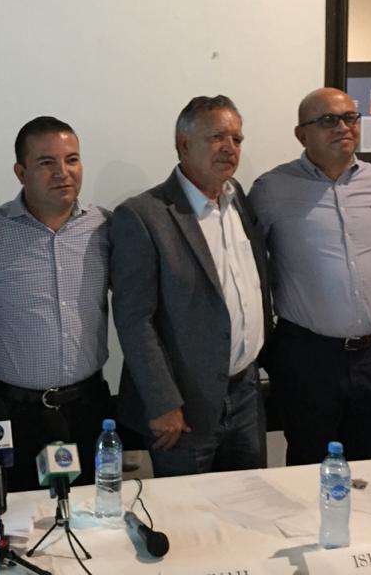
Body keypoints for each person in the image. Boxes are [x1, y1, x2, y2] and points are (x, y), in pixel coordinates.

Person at [111, 95, 267, 477]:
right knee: (187, 509)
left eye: (237, 139)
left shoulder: (237, 199)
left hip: (246, 394)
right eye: (217, 137)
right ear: (183, 144)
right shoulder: (143, 215)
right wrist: (162, 402)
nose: (230, 147)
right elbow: (134, 319)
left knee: (250, 502)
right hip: (184, 407)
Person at [248, 87, 371, 465]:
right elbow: (249, 267)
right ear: (302, 134)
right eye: (329, 120)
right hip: (307, 358)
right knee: (309, 465)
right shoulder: (271, 189)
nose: (343, 127)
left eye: (350, 118)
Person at [0, 116, 111, 491]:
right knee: (18, 514)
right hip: (15, 413)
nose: (63, 172)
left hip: (88, 406)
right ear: (20, 172)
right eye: (46, 162)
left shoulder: (104, 229)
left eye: (72, 159)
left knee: (90, 511)